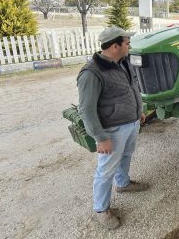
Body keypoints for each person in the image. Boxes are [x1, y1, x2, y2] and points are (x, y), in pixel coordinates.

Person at [77, 26, 149, 229]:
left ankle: (124, 184)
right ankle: (101, 210)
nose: (130, 46)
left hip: (131, 122)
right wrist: (100, 137)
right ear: (115, 46)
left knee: (126, 155)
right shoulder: (91, 72)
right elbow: (86, 109)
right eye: (127, 43)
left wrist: (138, 111)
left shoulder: (124, 61)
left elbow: (132, 88)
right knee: (105, 170)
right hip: (112, 130)